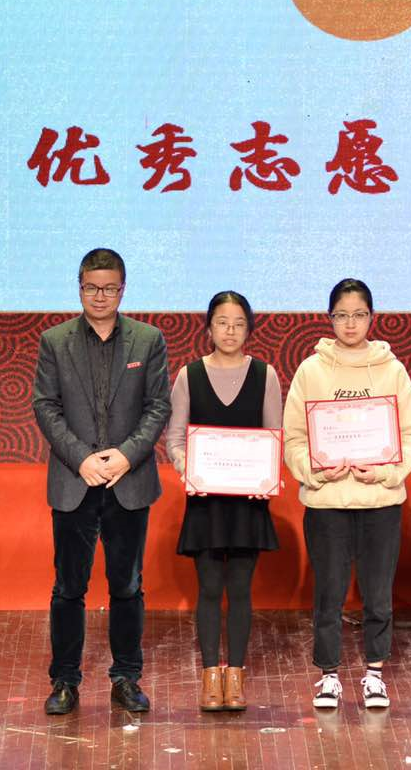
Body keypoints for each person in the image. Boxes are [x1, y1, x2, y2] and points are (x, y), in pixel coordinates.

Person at [33, 248, 172, 716]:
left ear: (122, 290)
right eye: (91, 287)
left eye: (109, 288)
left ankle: (126, 678)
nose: (100, 296)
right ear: (79, 288)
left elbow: (158, 405)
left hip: (127, 481)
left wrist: (127, 456)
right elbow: (46, 406)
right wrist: (82, 459)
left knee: (127, 585)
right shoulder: (55, 341)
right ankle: (65, 681)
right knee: (69, 586)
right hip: (75, 480)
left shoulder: (147, 340)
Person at [281, 278, 411, 712]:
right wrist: (316, 471)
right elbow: (294, 437)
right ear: (329, 319)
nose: (350, 323)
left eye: (358, 315)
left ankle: (375, 674)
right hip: (327, 503)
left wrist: (385, 472)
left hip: (380, 502)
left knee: (378, 594)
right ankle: (329, 676)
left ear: (371, 318)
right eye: (341, 315)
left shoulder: (391, 370)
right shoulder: (311, 370)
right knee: (328, 593)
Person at [162, 291, 283, 713]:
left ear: (249, 329)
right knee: (210, 588)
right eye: (221, 323)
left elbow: (274, 437)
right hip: (206, 502)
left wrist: (267, 477)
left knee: (241, 590)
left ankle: (237, 675)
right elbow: (175, 440)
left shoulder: (265, 375)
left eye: (238, 323)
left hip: (248, 502)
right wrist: (189, 469)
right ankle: (210, 676)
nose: (230, 331)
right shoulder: (189, 375)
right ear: (208, 327)